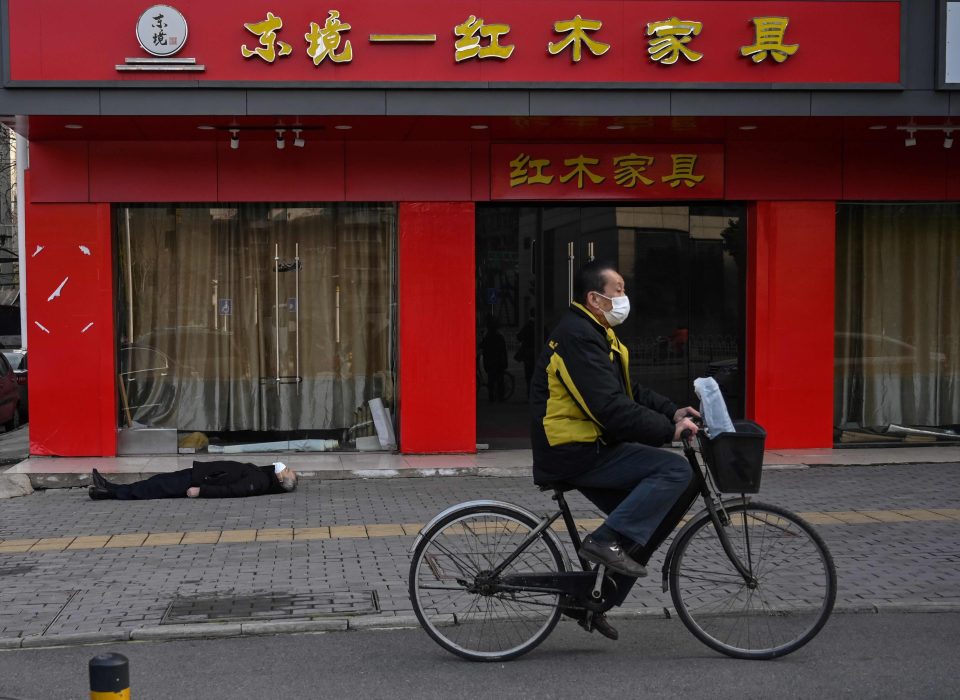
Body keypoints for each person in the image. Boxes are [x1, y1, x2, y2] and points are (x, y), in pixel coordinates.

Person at [529, 260, 700, 641]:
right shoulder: (577, 337)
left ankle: (594, 598)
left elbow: (628, 390)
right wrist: (669, 433)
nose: (625, 298)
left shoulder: (596, 333)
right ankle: (603, 541)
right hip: (572, 450)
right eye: (619, 289)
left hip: (588, 446)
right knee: (674, 472)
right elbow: (610, 408)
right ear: (595, 298)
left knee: (650, 522)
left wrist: (671, 410)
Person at [87, 461, 298, 500]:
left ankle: (109, 491)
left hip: (200, 481)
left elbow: (233, 490)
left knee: (155, 487)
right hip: (201, 474)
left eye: (287, 470)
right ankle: (108, 489)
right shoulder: (264, 475)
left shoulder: (260, 482)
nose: (284, 467)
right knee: (156, 483)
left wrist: (201, 490)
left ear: (281, 479)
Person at [479, 315, 508, 402]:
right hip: (499, 362)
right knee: (500, 380)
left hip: (489, 362)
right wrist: (505, 363)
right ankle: (500, 397)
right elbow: (504, 351)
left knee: (491, 380)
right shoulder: (500, 337)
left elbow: (481, 346)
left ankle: (491, 397)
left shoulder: (487, 338)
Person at [516, 309, 537, 395]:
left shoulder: (527, 326)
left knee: (528, 375)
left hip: (528, 355)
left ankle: (529, 393)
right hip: (537, 354)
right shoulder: (540, 325)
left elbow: (519, 337)